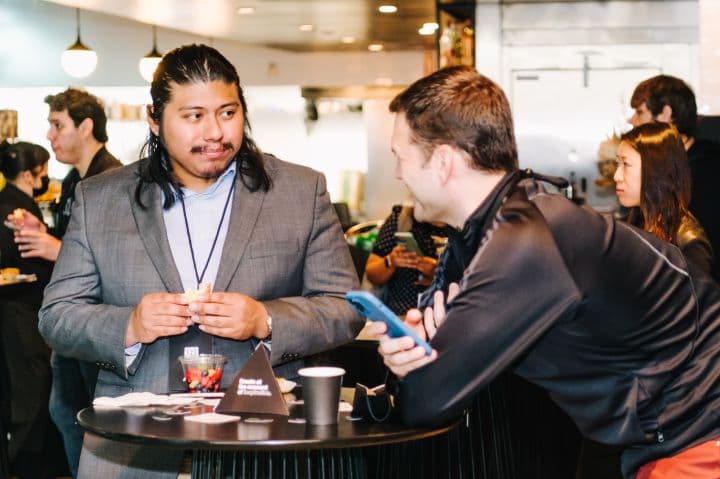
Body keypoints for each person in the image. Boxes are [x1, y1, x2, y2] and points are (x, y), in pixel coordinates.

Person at [370, 65, 720, 479]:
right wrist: (409, 355)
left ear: (443, 161)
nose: (397, 174)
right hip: (659, 433)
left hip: (697, 430)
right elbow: (428, 351)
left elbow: (428, 397)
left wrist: (420, 364)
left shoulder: (528, 239)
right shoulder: (479, 233)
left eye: (400, 157)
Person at [38, 44, 363, 478]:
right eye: (194, 116)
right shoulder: (100, 198)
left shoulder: (300, 191)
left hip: (266, 442)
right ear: (154, 119)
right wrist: (129, 326)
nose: (215, 133)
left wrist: (266, 319)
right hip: (135, 446)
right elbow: (56, 316)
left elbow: (346, 306)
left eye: (227, 113)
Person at [9, 87, 122, 478]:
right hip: (73, 318)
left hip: (97, 319)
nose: (50, 136)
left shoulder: (113, 179)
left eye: (58, 125)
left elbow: (115, 259)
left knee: (90, 414)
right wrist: (44, 233)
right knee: (64, 409)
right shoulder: (76, 180)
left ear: (86, 126)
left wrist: (52, 246)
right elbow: (76, 241)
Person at [628, 75, 720, 282]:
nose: (631, 120)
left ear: (666, 114)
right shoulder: (678, 167)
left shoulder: (706, 172)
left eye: (639, 112)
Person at [0, 141, 55, 478]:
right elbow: (31, 262)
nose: (47, 175)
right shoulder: (17, 211)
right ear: (28, 173)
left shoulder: (16, 205)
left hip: (18, 313)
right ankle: (25, 461)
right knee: (30, 389)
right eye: (43, 168)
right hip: (21, 313)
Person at [615, 123, 713, 274]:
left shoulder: (689, 242)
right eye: (618, 164)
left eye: (626, 164)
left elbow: (697, 296)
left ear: (655, 170)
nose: (616, 176)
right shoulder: (629, 224)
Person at [364, 204, 446, 314]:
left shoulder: (461, 223)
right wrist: (391, 261)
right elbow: (371, 274)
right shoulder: (402, 218)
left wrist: (438, 272)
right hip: (399, 316)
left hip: (444, 317)